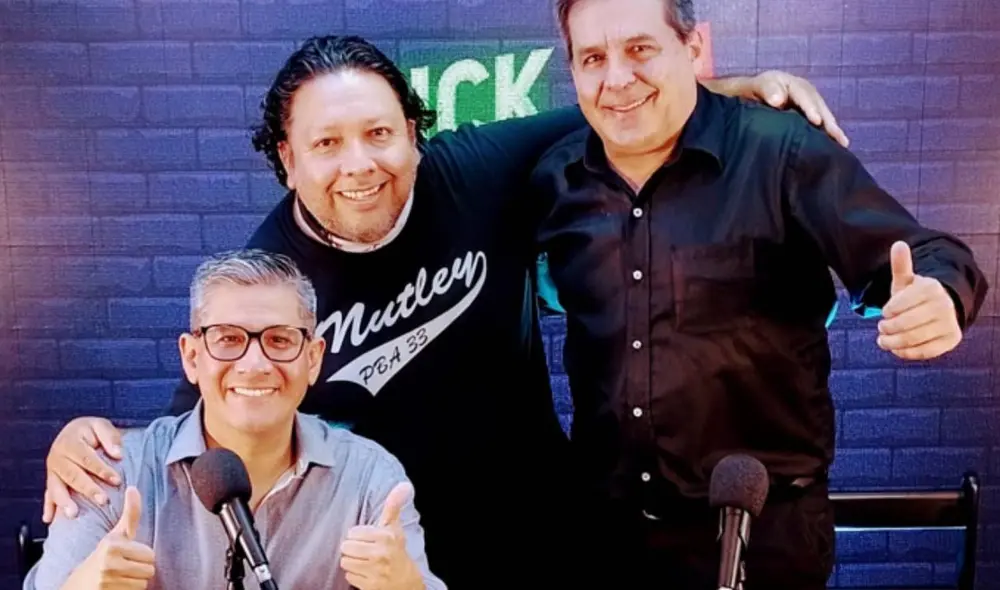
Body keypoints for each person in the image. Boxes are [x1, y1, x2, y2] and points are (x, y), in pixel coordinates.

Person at [38, 35, 848, 588]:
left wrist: (736, 93)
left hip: (549, 532)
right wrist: (82, 451)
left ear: (416, 137)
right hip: (393, 557)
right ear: (286, 160)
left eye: (380, 134)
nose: (360, 165)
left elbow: (626, 111)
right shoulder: (272, 289)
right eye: (325, 145)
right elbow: (201, 425)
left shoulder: (478, 170)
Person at [529, 0, 990, 588]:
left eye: (640, 49)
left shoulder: (781, 152)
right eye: (593, 57)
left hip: (766, 538)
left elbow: (929, 255)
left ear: (692, 49)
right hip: (608, 539)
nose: (617, 78)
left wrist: (940, 296)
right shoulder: (553, 179)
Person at [24, 249, 444, 590]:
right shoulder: (110, 474)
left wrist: (407, 587)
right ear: (192, 356)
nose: (255, 363)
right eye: (228, 339)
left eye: (280, 340)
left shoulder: (369, 478)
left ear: (313, 359)